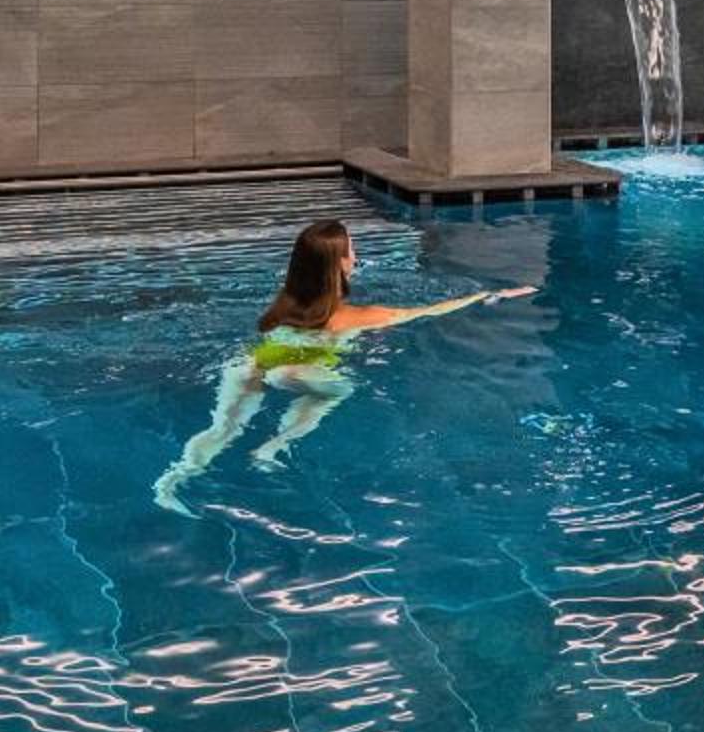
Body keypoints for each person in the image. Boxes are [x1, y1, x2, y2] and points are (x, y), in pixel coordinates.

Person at [151, 220, 534, 515]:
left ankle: (171, 481)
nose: (356, 255)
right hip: (302, 371)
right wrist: (489, 295)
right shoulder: (359, 316)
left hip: (250, 362)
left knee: (222, 428)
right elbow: (428, 311)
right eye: (352, 250)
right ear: (339, 263)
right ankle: (274, 446)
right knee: (341, 388)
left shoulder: (284, 303)